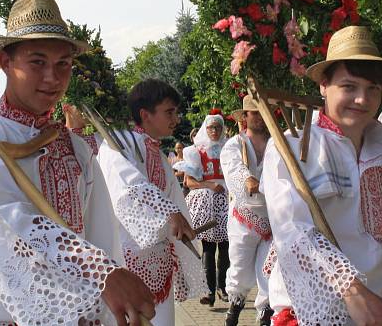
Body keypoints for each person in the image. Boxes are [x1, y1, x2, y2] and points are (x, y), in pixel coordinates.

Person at [0, 0, 154, 325]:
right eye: (37, 62)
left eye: (63, 64)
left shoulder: (75, 148)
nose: (53, 78)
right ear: (5, 62)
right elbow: (7, 222)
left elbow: (99, 233)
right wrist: (102, 273)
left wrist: (108, 302)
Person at [261, 25, 382, 325]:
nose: (362, 99)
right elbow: (293, 231)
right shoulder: (291, 147)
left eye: (372, 89)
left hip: (378, 311)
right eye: (349, 87)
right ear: (323, 85)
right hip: (314, 310)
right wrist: (353, 292)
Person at [97, 78, 206, 326]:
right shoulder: (119, 142)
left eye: (175, 112)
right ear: (145, 115)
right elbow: (127, 186)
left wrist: (178, 221)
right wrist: (170, 213)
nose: (176, 119)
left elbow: (171, 196)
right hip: (127, 259)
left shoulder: (152, 147)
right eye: (169, 112)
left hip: (159, 259)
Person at [221, 95, 273, 326]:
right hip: (244, 217)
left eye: (263, 112)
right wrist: (247, 179)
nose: (259, 117)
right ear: (245, 117)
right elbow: (234, 169)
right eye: (254, 112)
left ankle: (264, 315)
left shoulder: (276, 142)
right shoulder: (235, 144)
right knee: (240, 269)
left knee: (269, 271)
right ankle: (234, 309)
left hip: (272, 216)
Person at [182, 113, 230, 307]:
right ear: (205, 129)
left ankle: (223, 287)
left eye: (218, 127)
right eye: (211, 127)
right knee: (209, 248)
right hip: (207, 204)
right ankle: (209, 290)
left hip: (227, 201)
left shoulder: (230, 149)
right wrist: (209, 185)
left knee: (226, 247)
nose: (214, 131)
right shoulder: (196, 151)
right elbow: (189, 181)